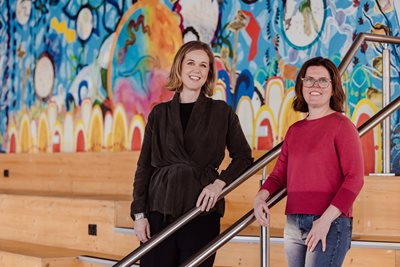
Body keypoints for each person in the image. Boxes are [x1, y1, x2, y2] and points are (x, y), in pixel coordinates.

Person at [130, 40, 253, 267]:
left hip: (201, 211)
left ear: (208, 73)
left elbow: (244, 157)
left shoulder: (221, 112)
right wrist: (139, 215)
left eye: (204, 65)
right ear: (180, 67)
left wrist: (219, 184)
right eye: (191, 63)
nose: (196, 70)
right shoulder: (159, 113)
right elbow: (144, 167)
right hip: (159, 210)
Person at [253, 57, 364, 267]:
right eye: (309, 79)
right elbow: (278, 176)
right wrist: (260, 197)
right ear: (301, 85)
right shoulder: (294, 131)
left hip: (330, 223)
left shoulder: (342, 126)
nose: (315, 85)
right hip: (294, 223)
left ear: (333, 88)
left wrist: (325, 220)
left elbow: (355, 179)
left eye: (323, 81)